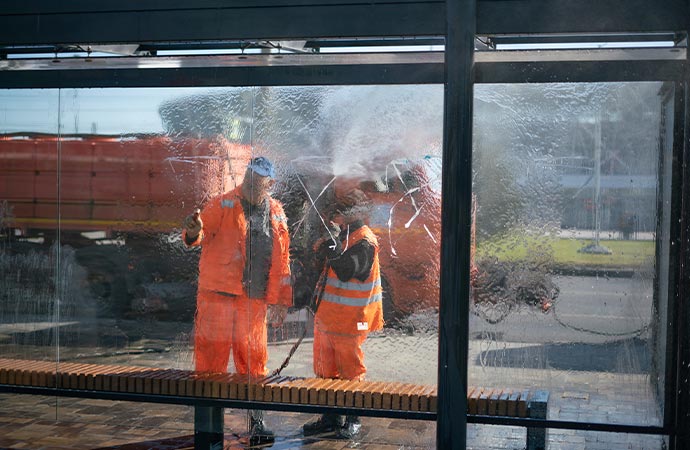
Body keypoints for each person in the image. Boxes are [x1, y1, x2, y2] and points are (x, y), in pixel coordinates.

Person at [182, 156, 291, 444]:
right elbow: (198, 233)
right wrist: (192, 231)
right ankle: (207, 427)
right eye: (249, 178)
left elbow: (283, 261)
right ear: (245, 177)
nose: (252, 184)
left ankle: (256, 423)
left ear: (270, 183)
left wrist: (281, 301)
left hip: (253, 301)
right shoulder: (223, 204)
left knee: (255, 364)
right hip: (217, 298)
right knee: (210, 364)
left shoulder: (276, 211)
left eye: (259, 181)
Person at [302, 188, 384, 440]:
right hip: (328, 320)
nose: (332, 216)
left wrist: (333, 249)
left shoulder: (365, 240)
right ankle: (331, 417)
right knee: (326, 372)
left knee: (351, 371)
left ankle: (353, 418)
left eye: (338, 212)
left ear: (349, 214)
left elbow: (351, 270)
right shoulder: (344, 236)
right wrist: (323, 249)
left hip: (352, 320)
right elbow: (324, 269)